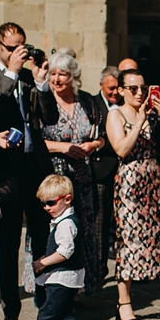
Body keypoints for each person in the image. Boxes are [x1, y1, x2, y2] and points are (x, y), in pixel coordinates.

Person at [0, 22, 56, 320]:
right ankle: (10, 311)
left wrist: (41, 84)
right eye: (12, 47)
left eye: (21, 46)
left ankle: (45, 306)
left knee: (41, 240)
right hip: (6, 170)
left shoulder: (28, 76)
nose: (19, 53)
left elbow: (50, 118)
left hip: (34, 167)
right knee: (8, 242)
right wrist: (11, 74)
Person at [106, 69, 160, 320]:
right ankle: (124, 302)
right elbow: (121, 149)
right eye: (133, 88)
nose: (140, 92)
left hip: (154, 179)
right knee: (130, 241)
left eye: (143, 87)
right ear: (120, 90)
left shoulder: (153, 116)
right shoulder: (115, 114)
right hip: (130, 182)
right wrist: (140, 120)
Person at [40, 51, 104, 293]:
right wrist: (63, 147)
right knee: (57, 231)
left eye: (62, 74)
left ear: (73, 76)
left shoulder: (86, 101)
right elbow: (35, 141)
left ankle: (79, 287)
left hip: (82, 176)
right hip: (55, 175)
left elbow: (101, 136)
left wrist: (93, 145)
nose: (57, 79)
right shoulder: (44, 101)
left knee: (82, 228)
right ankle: (53, 287)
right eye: (53, 74)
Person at [13, 175, 94, 320]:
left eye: (50, 202)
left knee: (46, 315)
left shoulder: (66, 223)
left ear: (67, 199)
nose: (46, 208)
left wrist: (43, 263)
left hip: (62, 278)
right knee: (65, 315)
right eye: (43, 204)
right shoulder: (62, 220)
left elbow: (65, 252)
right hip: (63, 277)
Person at [88, 65, 122, 268]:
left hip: (123, 174)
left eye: (118, 88)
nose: (115, 92)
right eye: (111, 88)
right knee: (100, 225)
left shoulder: (127, 105)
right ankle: (98, 269)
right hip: (101, 173)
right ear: (101, 86)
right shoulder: (92, 104)